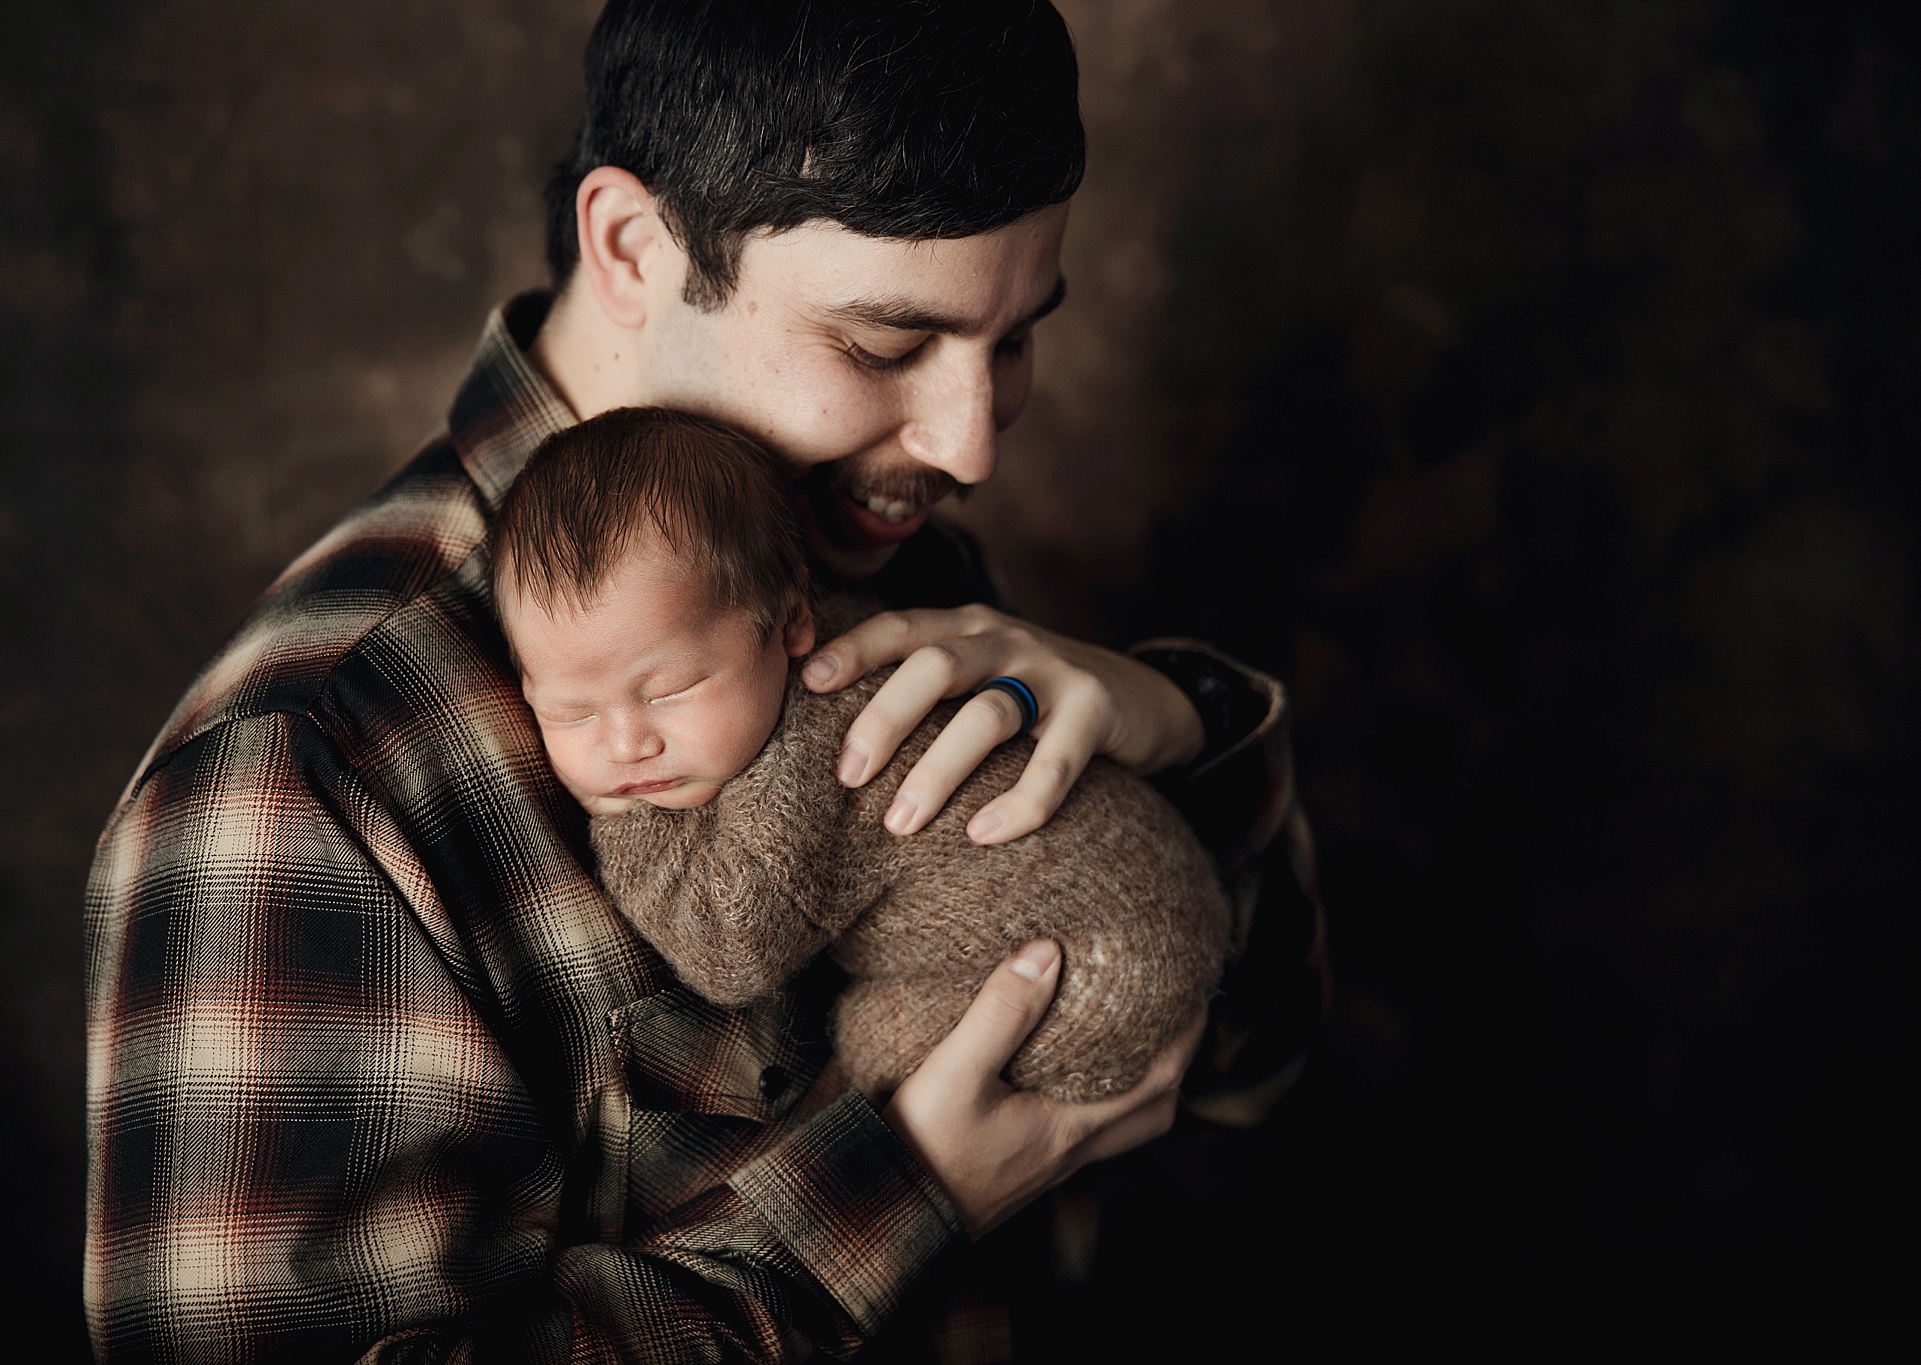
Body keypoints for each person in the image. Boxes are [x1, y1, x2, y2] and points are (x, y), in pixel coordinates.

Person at [84, 2, 1325, 1360]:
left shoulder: (900, 575)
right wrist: (905, 1196)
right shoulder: (315, 760)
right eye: (885, 345)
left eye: (1014, 339)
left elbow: (1244, 1070)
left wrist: (1180, 729)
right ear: (632, 245)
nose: (970, 443)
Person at [489, 405, 1230, 1107]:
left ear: (791, 622)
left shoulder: (819, 754)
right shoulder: (775, 634)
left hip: (1109, 966)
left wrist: (627, 819)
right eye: (569, 711)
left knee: (873, 1053)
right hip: (1157, 882)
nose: (626, 743)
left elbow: (726, 949)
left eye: (673, 688)